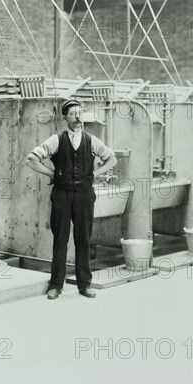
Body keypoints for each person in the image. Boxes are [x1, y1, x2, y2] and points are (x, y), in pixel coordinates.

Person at [25, 99, 117, 300]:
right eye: (73, 114)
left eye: (80, 113)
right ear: (65, 118)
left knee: (83, 240)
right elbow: (31, 159)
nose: (77, 117)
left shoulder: (91, 140)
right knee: (60, 240)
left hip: (84, 196)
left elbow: (112, 158)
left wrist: (96, 173)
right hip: (62, 195)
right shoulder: (56, 140)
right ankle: (56, 285)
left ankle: (84, 285)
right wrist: (51, 173)